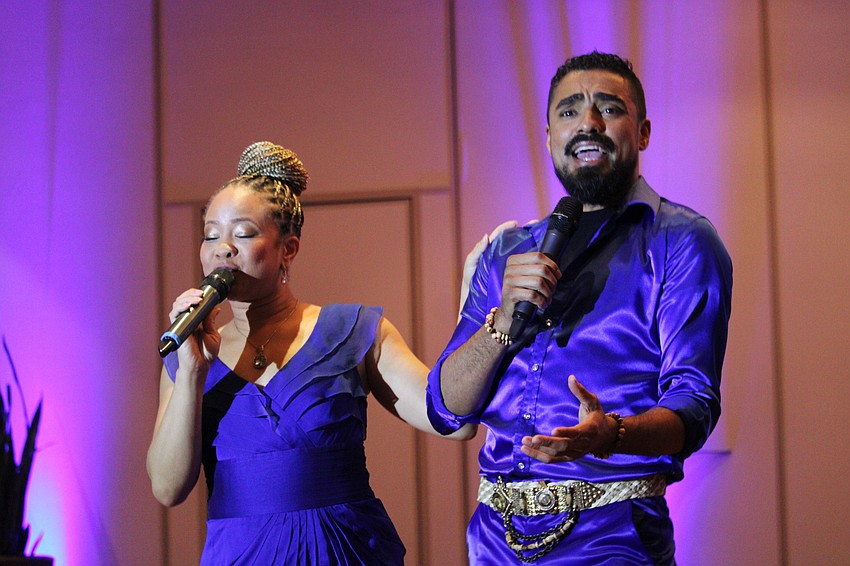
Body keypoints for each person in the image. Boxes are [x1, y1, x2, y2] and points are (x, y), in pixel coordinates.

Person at [426, 51, 733, 564]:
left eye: (608, 108)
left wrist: (609, 434)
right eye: (569, 111)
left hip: (614, 535)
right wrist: (501, 321)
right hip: (493, 542)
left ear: (643, 131)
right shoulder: (507, 251)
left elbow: (693, 407)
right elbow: (446, 407)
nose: (587, 122)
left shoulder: (682, 241)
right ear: (549, 137)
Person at [146, 141, 485, 565]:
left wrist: (481, 320)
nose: (223, 248)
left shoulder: (353, 331)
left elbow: (453, 422)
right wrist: (193, 373)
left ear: (288, 250)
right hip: (241, 553)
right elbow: (166, 488)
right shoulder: (188, 352)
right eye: (210, 235)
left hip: (344, 549)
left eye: (244, 233)